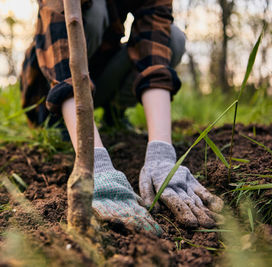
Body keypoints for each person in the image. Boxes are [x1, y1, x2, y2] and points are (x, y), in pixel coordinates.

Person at [20, 0, 223, 235]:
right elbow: (62, 61)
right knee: (93, 12)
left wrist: (162, 155)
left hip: (99, 73)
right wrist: (95, 163)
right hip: (49, 86)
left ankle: (113, 111)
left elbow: (153, 56)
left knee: (173, 38)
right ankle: (60, 123)